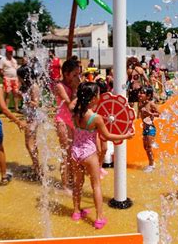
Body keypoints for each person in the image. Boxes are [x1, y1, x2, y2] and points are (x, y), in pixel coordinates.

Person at [70, 82, 134, 229]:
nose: (99, 96)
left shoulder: (75, 111)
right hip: (89, 154)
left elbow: (74, 102)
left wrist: (80, 93)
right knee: (96, 186)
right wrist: (126, 135)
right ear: (93, 98)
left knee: (77, 183)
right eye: (97, 94)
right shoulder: (96, 118)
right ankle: (99, 218)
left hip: (75, 152)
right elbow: (108, 135)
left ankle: (76, 212)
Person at [54, 59, 80, 193]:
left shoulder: (73, 84)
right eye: (75, 75)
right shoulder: (59, 86)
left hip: (72, 121)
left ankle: (71, 179)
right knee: (65, 153)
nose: (78, 77)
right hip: (62, 121)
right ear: (66, 73)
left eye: (78, 74)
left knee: (73, 153)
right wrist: (76, 88)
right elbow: (71, 106)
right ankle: (64, 185)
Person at [18, 57, 41, 178]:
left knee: (29, 144)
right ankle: (35, 165)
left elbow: (36, 103)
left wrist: (26, 103)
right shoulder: (27, 87)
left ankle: (37, 169)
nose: (18, 79)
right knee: (32, 143)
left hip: (34, 119)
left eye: (19, 77)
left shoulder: (34, 87)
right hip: (30, 118)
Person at [138, 86, 160, 173]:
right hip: (145, 128)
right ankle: (151, 162)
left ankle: (152, 164)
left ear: (148, 96)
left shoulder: (151, 104)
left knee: (149, 147)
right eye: (140, 92)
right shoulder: (140, 104)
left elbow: (159, 114)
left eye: (142, 93)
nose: (140, 94)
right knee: (145, 147)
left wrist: (149, 113)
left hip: (151, 128)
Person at [0, 45, 20, 112]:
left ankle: (16, 108)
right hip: (7, 78)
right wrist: (3, 77)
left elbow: (15, 68)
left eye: (11, 52)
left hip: (15, 78)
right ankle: (6, 109)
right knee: (8, 93)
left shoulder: (14, 60)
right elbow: (0, 70)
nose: (10, 53)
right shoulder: (3, 60)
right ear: (6, 52)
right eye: (9, 52)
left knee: (16, 93)